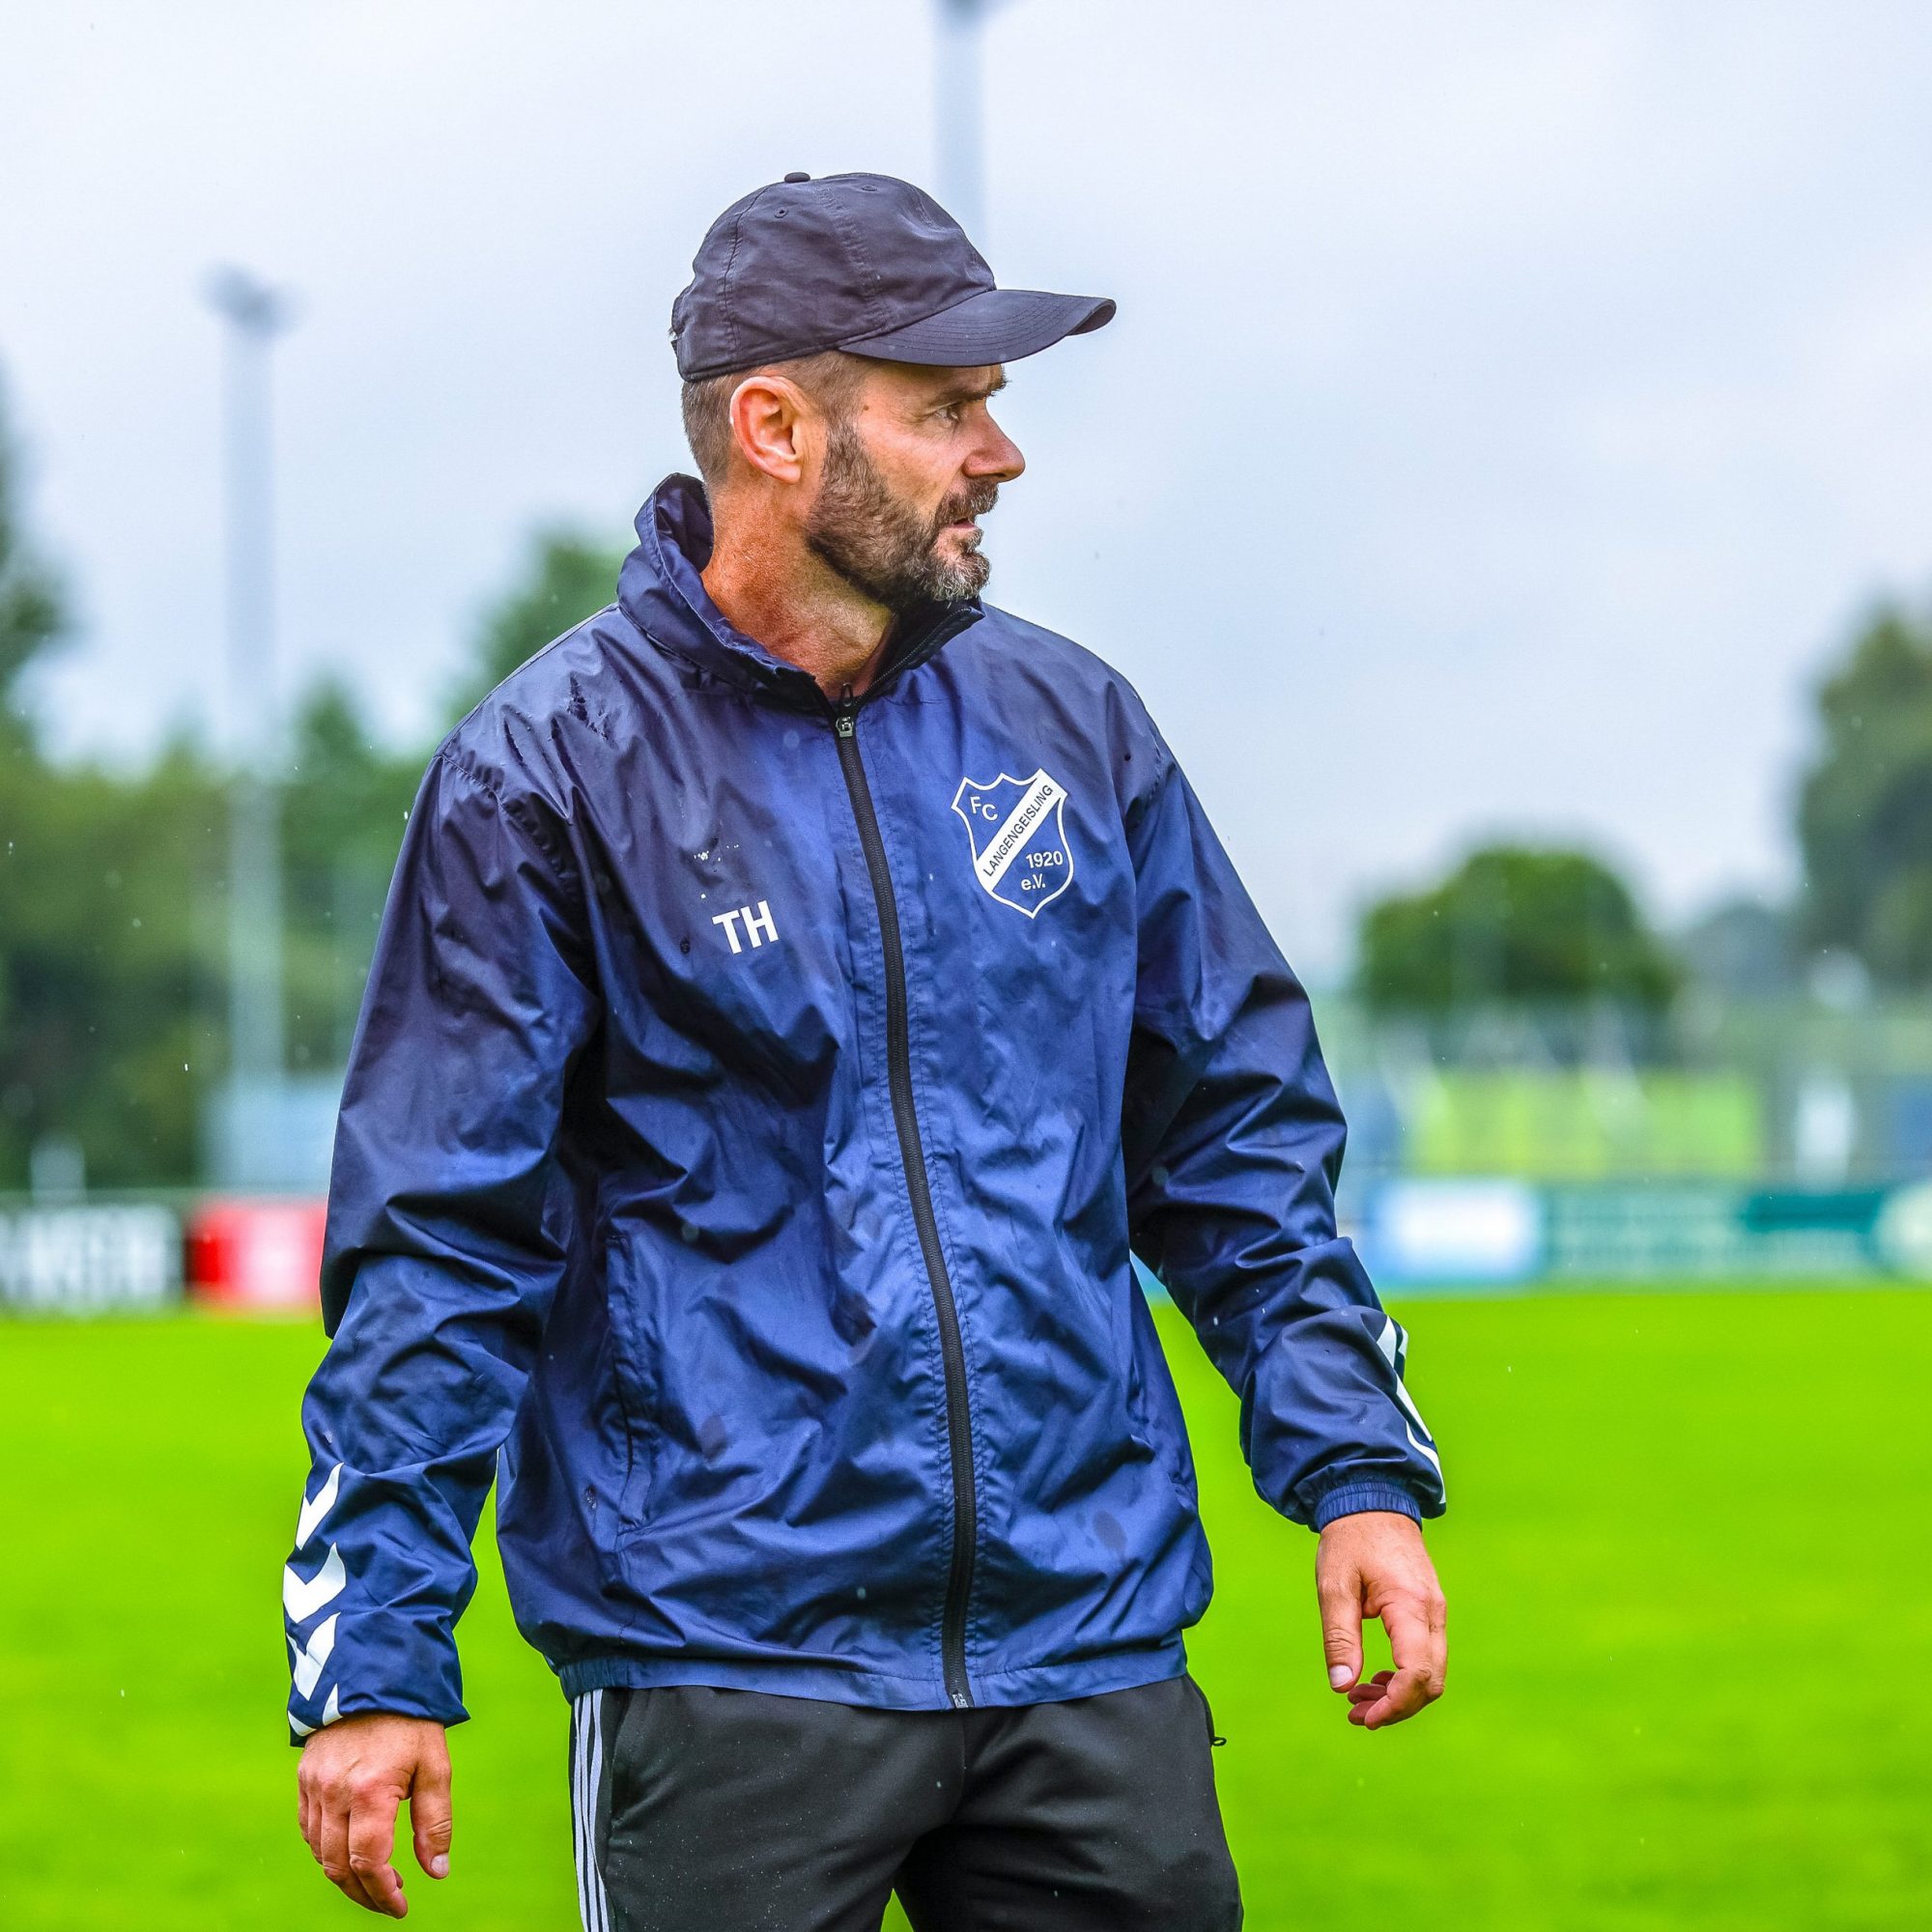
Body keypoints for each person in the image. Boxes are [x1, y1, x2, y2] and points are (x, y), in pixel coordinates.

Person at [286, 171, 1449, 1931]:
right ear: (773, 427)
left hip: (1090, 1646)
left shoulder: (1077, 726)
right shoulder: (546, 776)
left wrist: (1351, 1467)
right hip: (726, 1657)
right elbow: (440, 1241)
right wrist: (378, 1647)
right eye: (945, 411)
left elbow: (1229, 1136)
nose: (1001, 455)